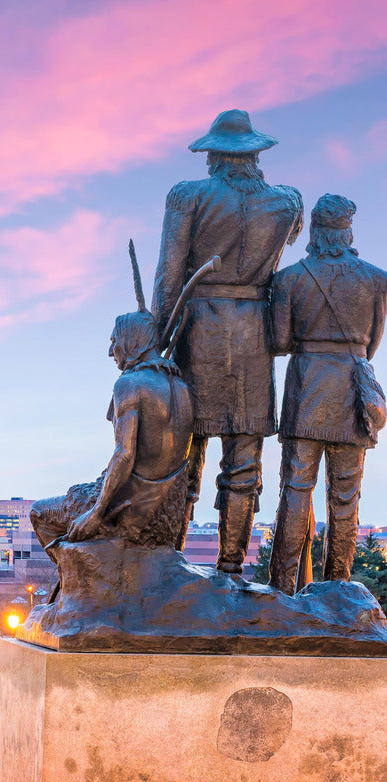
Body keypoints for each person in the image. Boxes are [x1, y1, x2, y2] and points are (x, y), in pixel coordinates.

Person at [153, 109, 303, 574]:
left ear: (213, 155)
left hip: (199, 329)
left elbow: (169, 274)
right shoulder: (288, 202)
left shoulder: (187, 196)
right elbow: (291, 239)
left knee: (183, 452)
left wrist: (154, 343)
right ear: (256, 155)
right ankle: (231, 566)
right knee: (244, 458)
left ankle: (172, 561)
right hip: (255, 332)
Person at [268, 194, 387, 594]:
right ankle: (338, 588)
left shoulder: (289, 279)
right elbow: (371, 345)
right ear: (348, 232)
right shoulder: (377, 279)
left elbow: (279, 341)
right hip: (353, 392)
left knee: (295, 489)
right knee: (346, 497)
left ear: (315, 231)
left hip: (305, 391)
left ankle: (281, 586)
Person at [30, 307, 193, 556]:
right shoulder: (181, 387)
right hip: (166, 516)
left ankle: (84, 577)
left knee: (39, 513)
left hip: (129, 508)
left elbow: (124, 455)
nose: (110, 351)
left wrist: (96, 513)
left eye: (115, 342)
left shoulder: (129, 384)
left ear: (132, 341)